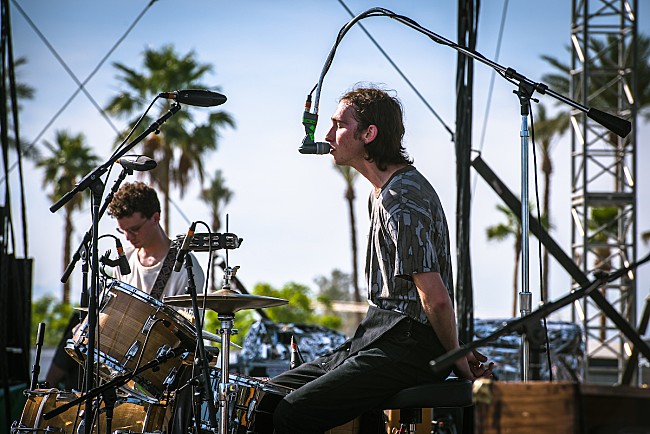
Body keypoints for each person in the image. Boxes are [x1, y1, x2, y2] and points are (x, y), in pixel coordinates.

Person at [269, 85, 494, 434]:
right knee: (268, 397)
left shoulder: (401, 198)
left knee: (292, 413)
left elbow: (433, 297)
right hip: (382, 335)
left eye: (338, 124)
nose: (328, 134)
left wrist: (456, 358)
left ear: (369, 134)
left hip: (409, 345)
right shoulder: (383, 191)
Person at [107, 181, 205, 297]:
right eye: (123, 230)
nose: (128, 237)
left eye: (135, 229)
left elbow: (188, 315)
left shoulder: (186, 266)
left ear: (155, 218)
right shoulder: (123, 262)